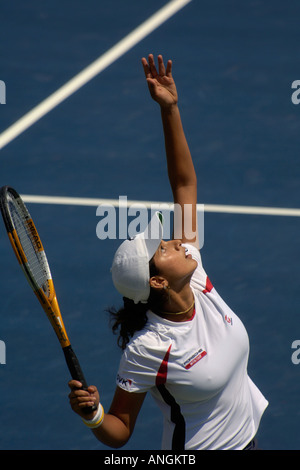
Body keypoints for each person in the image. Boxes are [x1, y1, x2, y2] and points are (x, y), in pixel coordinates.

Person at [68, 54, 268, 450]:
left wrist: (170, 108)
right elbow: (120, 430)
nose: (176, 240)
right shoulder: (149, 348)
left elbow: (183, 184)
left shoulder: (193, 271)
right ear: (157, 280)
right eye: (162, 248)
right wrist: (93, 414)